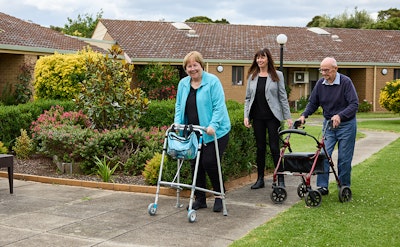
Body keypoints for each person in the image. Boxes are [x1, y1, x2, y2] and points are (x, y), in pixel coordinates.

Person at [174, 51, 231, 212]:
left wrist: (212, 125)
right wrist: (178, 124)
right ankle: (200, 198)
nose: (192, 69)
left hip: (215, 131)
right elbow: (179, 106)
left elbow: (219, 107)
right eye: (189, 66)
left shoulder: (213, 82)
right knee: (195, 164)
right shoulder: (183, 84)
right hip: (193, 131)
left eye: (195, 65)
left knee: (209, 162)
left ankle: (219, 195)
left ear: (201, 65)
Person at [298, 57, 358, 195]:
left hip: (346, 126)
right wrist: (304, 115)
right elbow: (313, 103)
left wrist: (340, 116)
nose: (324, 73)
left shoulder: (345, 82)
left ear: (336, 69)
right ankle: (323, 186)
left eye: (326, 70)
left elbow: (354, 104)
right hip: (328, 126)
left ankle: (344, 187)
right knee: (323, 155)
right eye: (322, 70)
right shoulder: (320, 84)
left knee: (344, 159)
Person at [244, 48, 292, 189]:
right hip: (257, 118)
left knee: (274, 148)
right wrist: (246, 116)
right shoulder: (252, 76)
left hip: (273, 118)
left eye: (262, 57)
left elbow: (283, 97)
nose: (260, 60)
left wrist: (288, 117)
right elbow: (247, 98)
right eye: (258, 58)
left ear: (268, 59)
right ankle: (260, 179)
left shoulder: (277, 75)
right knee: (260, 149)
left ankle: (280, 179)